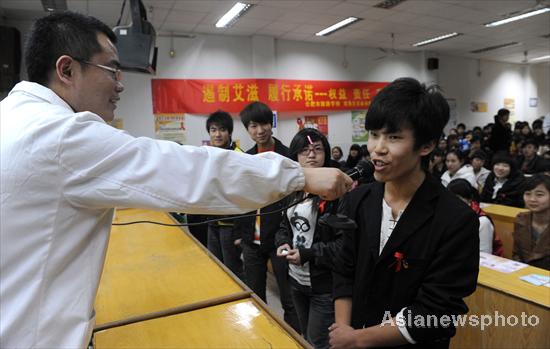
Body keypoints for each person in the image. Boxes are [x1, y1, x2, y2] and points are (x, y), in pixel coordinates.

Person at [0, 12, 352, 348]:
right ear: (67, 69)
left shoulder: (14, 118)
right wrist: (299, 175)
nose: (120, 84)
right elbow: (186, 169)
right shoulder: (59, 134)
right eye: (112, 69)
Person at [329, 78, 479, 349]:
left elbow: (437, 312)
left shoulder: (456, 219)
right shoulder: (359, 200)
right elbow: (344, 270)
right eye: (374, 134)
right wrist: (344, 329)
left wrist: (358, 339)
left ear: (426, 146)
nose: (377, 148)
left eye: (394, 137)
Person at [233, 101, 300, 332]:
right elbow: (241, 199)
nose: (259, 131)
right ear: (247, 129)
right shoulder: (246, 158)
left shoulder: (288, 156)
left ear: (271, 124)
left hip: (280, 239)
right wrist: (239, 234)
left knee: (289, 298)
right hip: (252, 240)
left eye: (263, 124)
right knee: (255, 297)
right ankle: (261, 337)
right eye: (252, 126)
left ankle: (294, 339)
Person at [275, 128, 342, 349]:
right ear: (295, 156)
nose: (311, 155)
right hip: (296, 280)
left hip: (323, 284)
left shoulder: (336, 192)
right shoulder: (294, 189)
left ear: (326, 154)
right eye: (304, 150)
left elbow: (343, 245)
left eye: (317, 149)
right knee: (305, 336)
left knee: (318, 342)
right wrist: (282, 242)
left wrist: (307, 254)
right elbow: (284, 226)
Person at [204, 110, 244, 280]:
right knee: (215, 266)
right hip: (212, 221)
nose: (217, 134)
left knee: (233, 270)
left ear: (229, 132)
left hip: (231, 224)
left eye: (222, 129)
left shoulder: (239, 156)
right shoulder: (207, 155)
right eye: (213, 130)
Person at [447, 179, 502, 255]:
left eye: (458, 198)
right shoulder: (448, 216)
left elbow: (484, 255)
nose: (452, 203)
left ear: (469, 199)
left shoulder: (482, 222)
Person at [512, 174, 550, 270]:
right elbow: (517, 254)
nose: (532, 199)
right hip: (524, 275)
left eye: (539, 195)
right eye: (528, 194)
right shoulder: (521, 219)